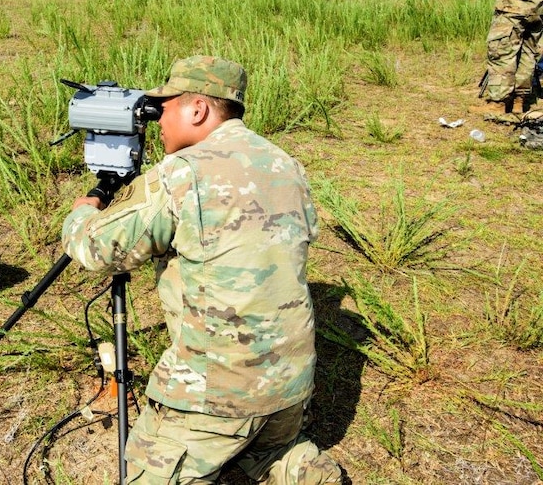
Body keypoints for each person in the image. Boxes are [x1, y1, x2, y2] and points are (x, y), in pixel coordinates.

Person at [62, 56, 343, 484]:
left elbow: (99, 250)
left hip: (218, 393)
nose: (156, 120)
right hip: (291, 386)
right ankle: (293, 463)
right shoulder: (285, 163)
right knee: (267, 451)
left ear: (198, 109)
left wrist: (82, 213)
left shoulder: (182, 174)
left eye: (165, 107)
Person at [475, 0, 543, 117]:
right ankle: (519, 102)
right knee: (527, 56)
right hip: (537, 9)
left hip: (514, 8)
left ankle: (498, 103)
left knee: (502, 53)